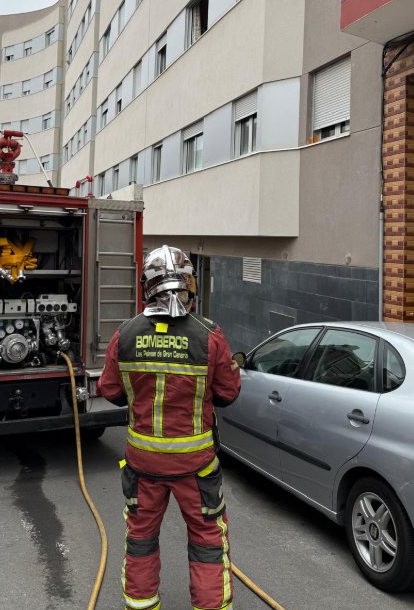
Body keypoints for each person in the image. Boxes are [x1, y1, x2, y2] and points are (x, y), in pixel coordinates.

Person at [97, 245, 241, 610]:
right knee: (208, 539)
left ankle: (142, 604)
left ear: (147, 285)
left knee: (141, 537)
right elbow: (228, 392)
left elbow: (110, 391)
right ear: (189, 285)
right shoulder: (209, 335)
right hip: (196, 464)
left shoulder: (126, 334)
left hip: (143, 462)